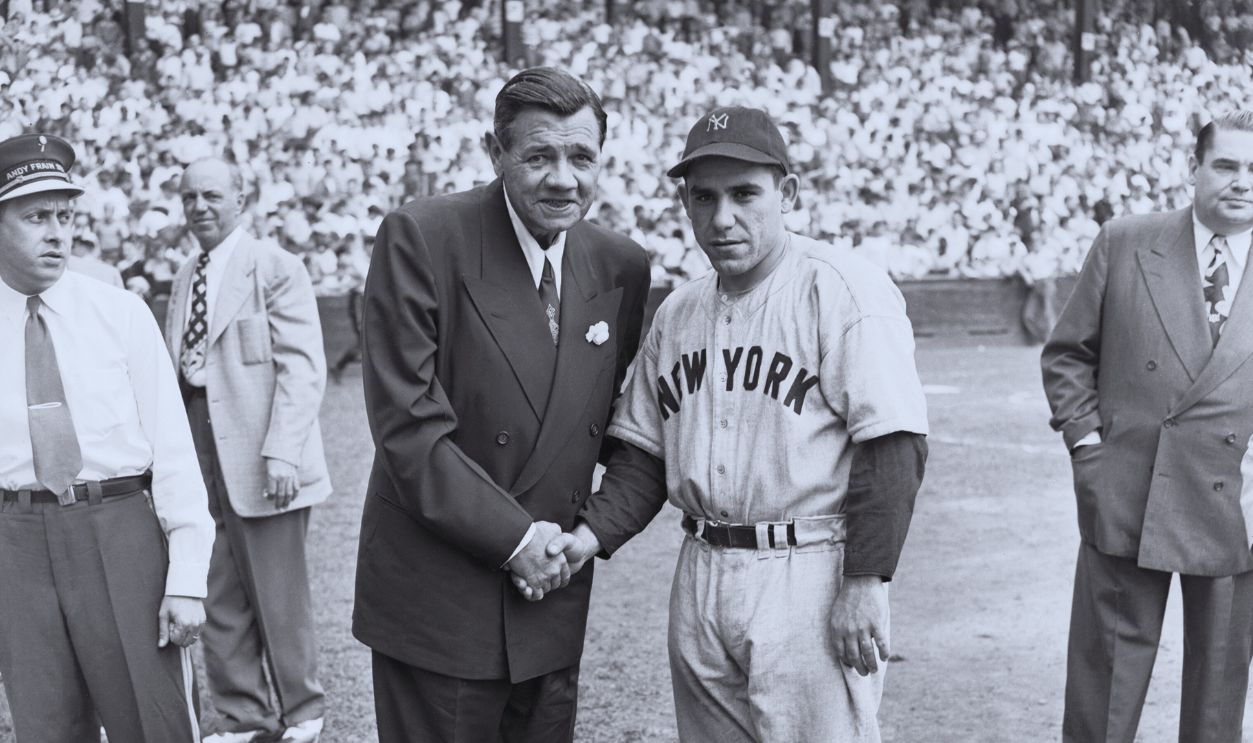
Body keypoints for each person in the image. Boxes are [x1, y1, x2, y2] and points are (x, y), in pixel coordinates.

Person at [534, 106, 929, 741]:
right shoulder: (678, 313)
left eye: (745, 194)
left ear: (788, 193)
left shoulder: (844, 291)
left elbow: (894, 444)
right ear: (685, 203)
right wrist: (589, 536)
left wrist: (866, 582)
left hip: (809, 570)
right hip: (701, 569)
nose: (722, 218)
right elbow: (643, 458)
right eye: (704, 198)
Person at [352, 66, 651, 742]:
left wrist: (589, 534)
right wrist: (517, 540)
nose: (562, 178)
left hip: (552, 589)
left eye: (581, 157)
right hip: (441, 598)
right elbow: (409, 430)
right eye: (538, 155)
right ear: (495, 152)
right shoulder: (422, 236)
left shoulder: (621, 264)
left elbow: (621, 428)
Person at [1041, 110, 1253, 742]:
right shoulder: (1126, 240)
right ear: (1194, 170)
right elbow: (1068, 354)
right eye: (1226, 165)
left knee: (1217, 697)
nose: (1242, 181)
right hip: (1128, 491)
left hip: (1233, 501)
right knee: (1103, 691)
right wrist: (1088, 451)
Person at [0, 133, 213, 742]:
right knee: (46, 724)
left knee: (154, 720)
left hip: (119, 530)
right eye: (36, 217)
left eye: (65, 217)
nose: (57, 233)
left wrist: (187, 580)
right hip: (15, 540)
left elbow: (173, 450)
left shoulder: (119, 313)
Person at [165, 157, 331, 743]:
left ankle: (303, 711)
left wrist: (282, 451)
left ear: (241, 198)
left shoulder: (275, 266)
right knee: (217, 588)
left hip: (264, 455)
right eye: (189, 197)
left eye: (211, 194)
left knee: (278, 590)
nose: (199, 207)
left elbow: (304, 368)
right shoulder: (187, 273)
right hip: (199, 444)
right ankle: (244, 717)